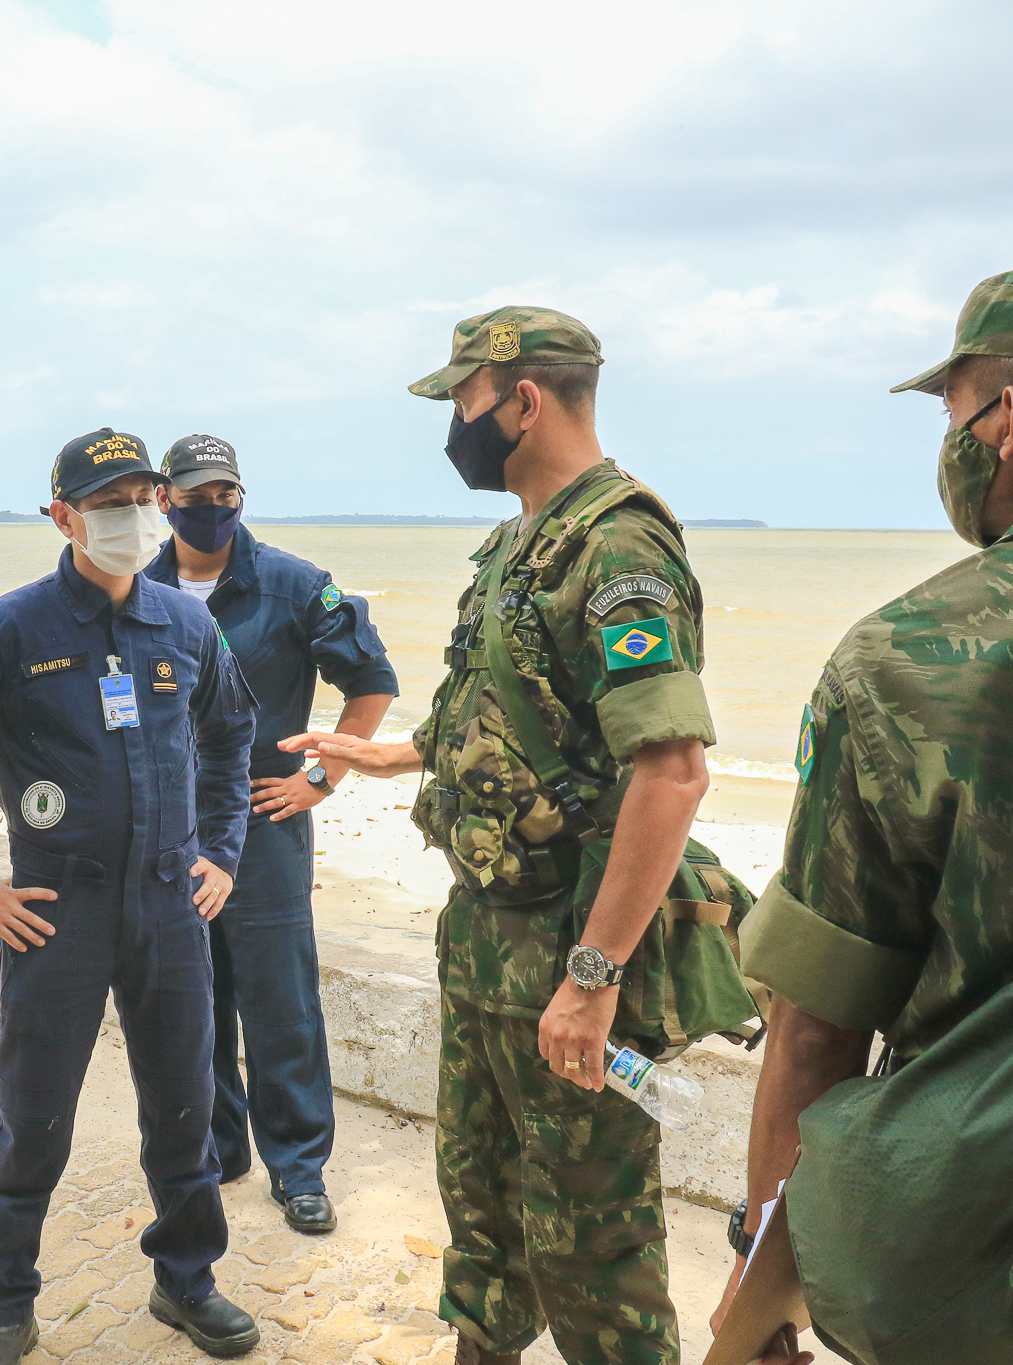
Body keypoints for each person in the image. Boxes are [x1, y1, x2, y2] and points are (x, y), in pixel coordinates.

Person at [718, 257, 1013, 1363]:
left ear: (1008, 419)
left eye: (951, 409)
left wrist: (759, 1271)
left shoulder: (912, 656)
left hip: (1008, 1267)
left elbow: (818, 1026)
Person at [282, 306, 757, 1365]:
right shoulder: (516, 544)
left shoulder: (618, 543)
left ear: (522, 400)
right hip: (486, 939)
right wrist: (392, 756)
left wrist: (592, 979)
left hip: (570, 946)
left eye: (462, 404)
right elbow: (506, 709)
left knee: (593, 1249)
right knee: (483, 1214)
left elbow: (668, 771)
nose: (455, 427)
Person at [0, 428, 262, 1364]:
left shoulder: (186, 624)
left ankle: (187, 1281)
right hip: (59, 916)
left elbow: (232, 736)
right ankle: (4, 1303)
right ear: (63, 516)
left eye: (144, 497)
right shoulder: (8, 629)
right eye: (110, 503)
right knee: (33, 1119)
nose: (134, 517)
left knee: (184, 1111)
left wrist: (221, 851)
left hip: (173, 908)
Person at [139, 433, 398, 1235]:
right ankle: (220, 1146)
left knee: (281, 1003)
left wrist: (321, 779)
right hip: (170, 835)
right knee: (194, 998)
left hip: (264, 825)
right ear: (163, 499)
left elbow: (372, 682)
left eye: (226, 494)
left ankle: (300, 1166)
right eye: (195, 495)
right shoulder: (134, 588)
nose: (211, 509)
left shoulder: (292, 586)